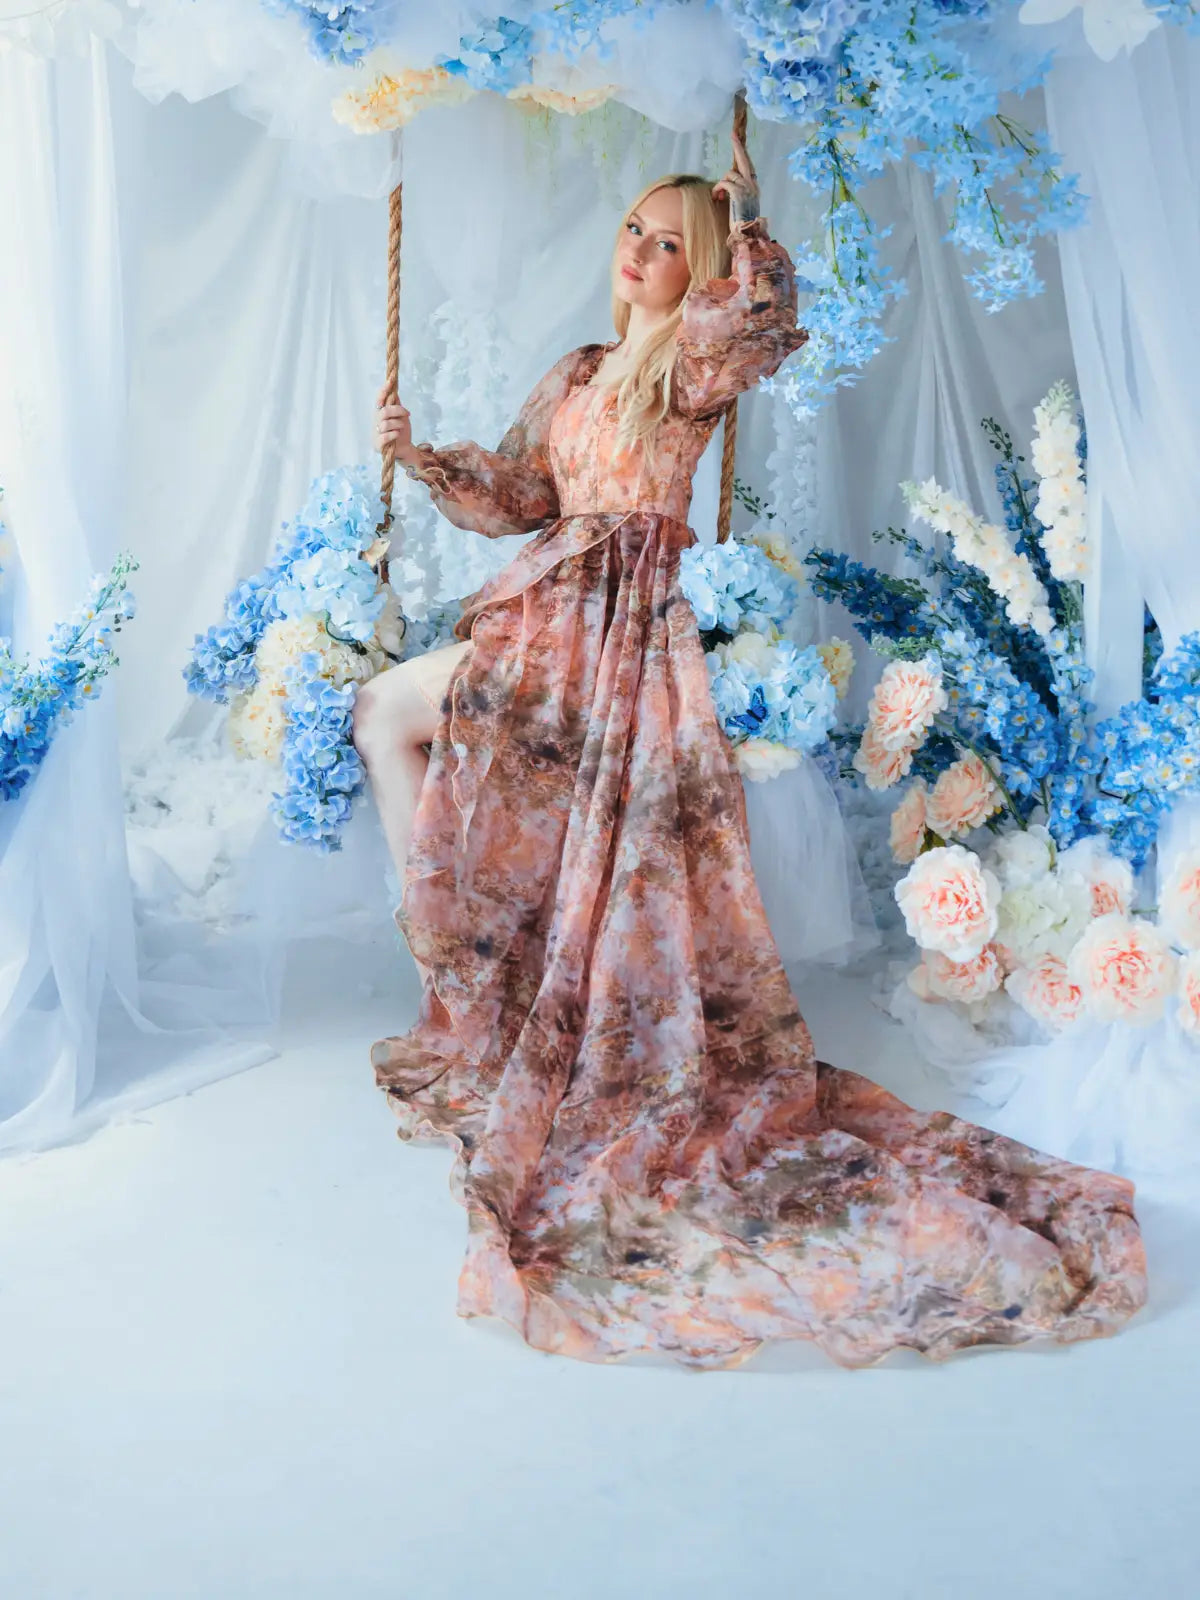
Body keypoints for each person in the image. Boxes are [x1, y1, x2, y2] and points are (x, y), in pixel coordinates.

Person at [354, 137, 1147, 1370]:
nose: (643, 249)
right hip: (547, 595)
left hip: (617, 630)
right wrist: (420, 455)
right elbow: (519, 494)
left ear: (702, 270)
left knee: (401, 723)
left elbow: (770, 320)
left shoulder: (689, 372)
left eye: (675, 241)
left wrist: (748, 217)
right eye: (636, 226)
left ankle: (463, 965)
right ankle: (458, 954)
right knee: (387, 719)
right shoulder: (580, 368)